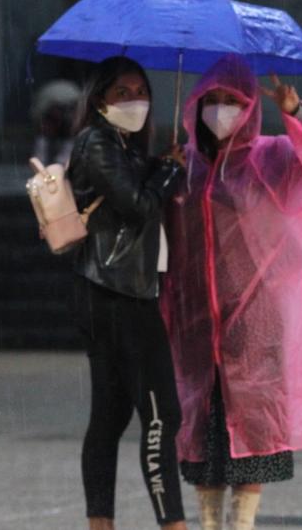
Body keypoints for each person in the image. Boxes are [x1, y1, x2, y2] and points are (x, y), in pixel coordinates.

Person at [161, 55, 302, 530]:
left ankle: (241, 524)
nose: (221, 110)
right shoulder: (187, 168)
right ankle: (208, 523)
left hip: (259, 320)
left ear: (250, 109)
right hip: (199, 323)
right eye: (213, 101)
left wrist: (298, 112)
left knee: (255, 433)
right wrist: (163, 176)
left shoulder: (274, 157)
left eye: (232, 102)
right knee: (202, 431)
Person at [65, 56, 187, 530]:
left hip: (113, 292)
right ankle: (173, 525)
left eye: (141, 92)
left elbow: (135, 184)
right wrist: (170, 173)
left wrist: (161, 164)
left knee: (111, 417)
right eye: (123, 93)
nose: (135, 100)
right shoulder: (96, 142)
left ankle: (101, 525)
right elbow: (138, 205)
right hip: (118, 294)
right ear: (100, 100)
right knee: (162, 415)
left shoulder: (123, 147)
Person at [31, 78, 81, 166]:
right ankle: (46, 160)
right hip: (49, 107)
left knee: (68, 136)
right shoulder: (46, 109)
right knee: (44, 136)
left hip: (60, 104)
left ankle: (60, 160)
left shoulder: (72, 97)